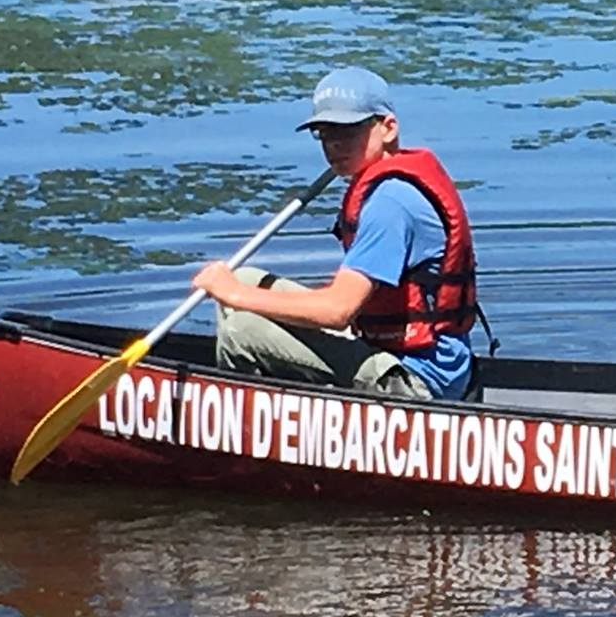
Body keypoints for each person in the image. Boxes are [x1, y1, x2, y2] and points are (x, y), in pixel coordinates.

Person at [192, 66, 482, 402]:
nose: (334, 146)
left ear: (388, 128)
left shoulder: (390, 204)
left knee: (240, 331)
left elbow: (337, 311)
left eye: (348, 131)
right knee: (245, 276)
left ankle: (248, 436)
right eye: (325, 134)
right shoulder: (383, 188)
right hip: (386, 346)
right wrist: (236, 287)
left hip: (418, 381)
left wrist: (232, 294)